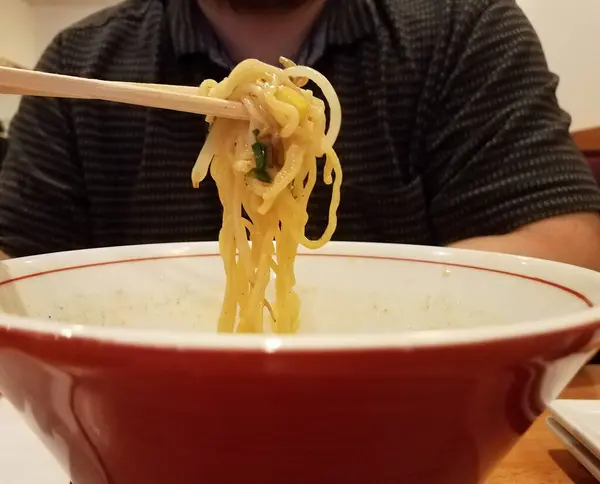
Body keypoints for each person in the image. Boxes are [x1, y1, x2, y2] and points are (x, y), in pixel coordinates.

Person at [2, 0, 600, 270]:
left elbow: (570, 244)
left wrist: (339, 298)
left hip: (399, 414)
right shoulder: (80, 63)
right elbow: (15, 261)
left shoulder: (462, 28)